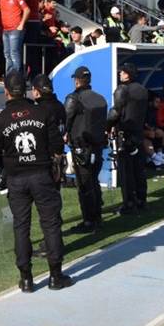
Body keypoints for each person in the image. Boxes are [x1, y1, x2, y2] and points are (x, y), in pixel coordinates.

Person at [0, 71, 73, 293]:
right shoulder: (42, 113)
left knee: (21, 226)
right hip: (41, 176)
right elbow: (57, 145)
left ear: (6, 91)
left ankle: (26, 279)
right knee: (51, 223)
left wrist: (10, 162)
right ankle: (55, 275)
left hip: (17, 178)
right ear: (25, 90)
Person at [63, 66, 107, 233]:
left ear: (76, 80)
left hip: (81, 148)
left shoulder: (74, 98)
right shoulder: (100, 98)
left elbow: (65, 121)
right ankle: (97, 217)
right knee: (94, 182)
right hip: (97, 147)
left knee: (85, 185)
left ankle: (89, 221)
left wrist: (64, 134)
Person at [109, 62, 150, 213]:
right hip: (138, 133)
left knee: (126, 172)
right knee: (139, 170)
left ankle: (129, 204)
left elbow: (115, 113)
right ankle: (142, 200)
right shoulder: (142, 90)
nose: (120, 74)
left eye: (123, 72)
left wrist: (107, 127)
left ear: (128, 74)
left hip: (125, 135)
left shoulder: (122, 89)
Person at [0, 0, 29, 75]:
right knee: (7, 54)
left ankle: (16, 76)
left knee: (14, 53)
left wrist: (21, 24)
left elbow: (27, 10)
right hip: (5, 29)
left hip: (15, 29)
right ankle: (10, 76)